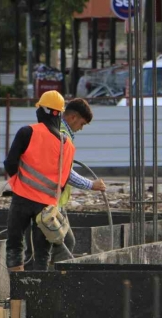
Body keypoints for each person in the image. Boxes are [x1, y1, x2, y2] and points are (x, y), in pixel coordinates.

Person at [24, 98, 106, 266]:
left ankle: (46, 282)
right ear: (73, 117)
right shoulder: (60, 134)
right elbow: (62, 171)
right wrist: (90, 184)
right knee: (44, 250)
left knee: (54, 246)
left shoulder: (57, 131)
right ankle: (44, 285)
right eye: (82, 124)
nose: (81, 128)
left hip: (49, 201)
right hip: (45, 202)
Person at [4, 90, 76, 272]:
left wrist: (18, 183)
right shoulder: (68, 145)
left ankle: (17, 298)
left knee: (15, 246)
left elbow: (10, 163)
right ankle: (38, 298)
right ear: (58, 114)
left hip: (21, 199)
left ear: (42, 111)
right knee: (43, 255)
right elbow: (64, 180)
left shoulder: (27, 132)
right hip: (47, 208)